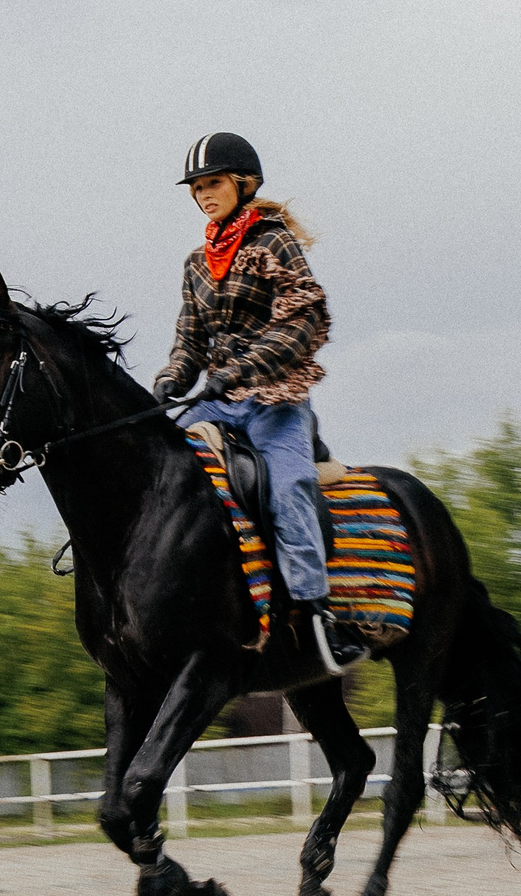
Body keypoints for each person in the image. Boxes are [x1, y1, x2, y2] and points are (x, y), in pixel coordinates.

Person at [153, 131, 364, 673]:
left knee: (290, 484)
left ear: (243, 184)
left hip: (274, 398)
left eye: (213, 183)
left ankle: (318, 616)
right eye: (197, 187)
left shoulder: (273, 243)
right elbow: (189, 339)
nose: (204, 194)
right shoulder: (196, 262)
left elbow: (304, 320)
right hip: (217, 402)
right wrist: (172, 379)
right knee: (161, 468)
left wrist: (245, 369)